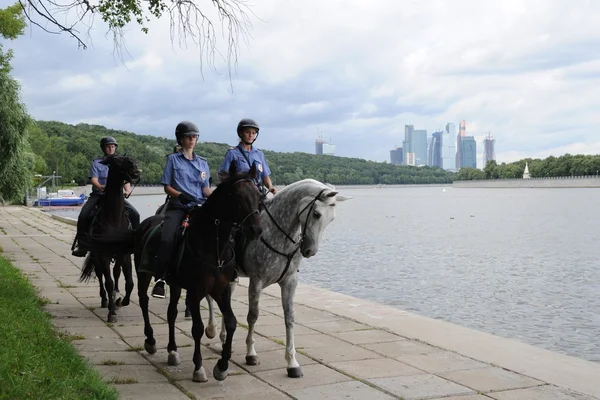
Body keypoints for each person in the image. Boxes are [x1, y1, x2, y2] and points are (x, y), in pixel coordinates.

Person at [152, 121, 212, 298]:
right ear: (181, 139)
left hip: (199, 207)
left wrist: (215, 196)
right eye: (189, 137)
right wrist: (180, 195)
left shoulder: (203, 163)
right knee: (168, 238)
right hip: (178, 207)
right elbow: (167, 186)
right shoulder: (172, 160)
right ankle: (160, 279)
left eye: (195, 137)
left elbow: (206, 189)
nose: (192, 140)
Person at [72, 136, 141, 257]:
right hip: (99, 195)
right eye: (108, 146)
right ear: (103, 148)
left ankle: (136, 242)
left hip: (116, 197)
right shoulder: (97, 163)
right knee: (83, 215)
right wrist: (101, 187)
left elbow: (126, 179)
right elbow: (94, 179)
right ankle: (82, 244)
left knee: (135, 214)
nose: (111, 148)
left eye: (113, 146)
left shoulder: (120, 162)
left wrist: (127, 190)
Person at [218, 118, 277, 195]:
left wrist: (270, 186)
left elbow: (265, 176)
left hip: (257, 193)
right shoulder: (232, 153)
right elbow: (223, 176)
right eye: (247, 132)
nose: (250, 135)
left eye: (253, 133)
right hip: (239, 194)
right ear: (241, 133)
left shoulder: (259, 154)